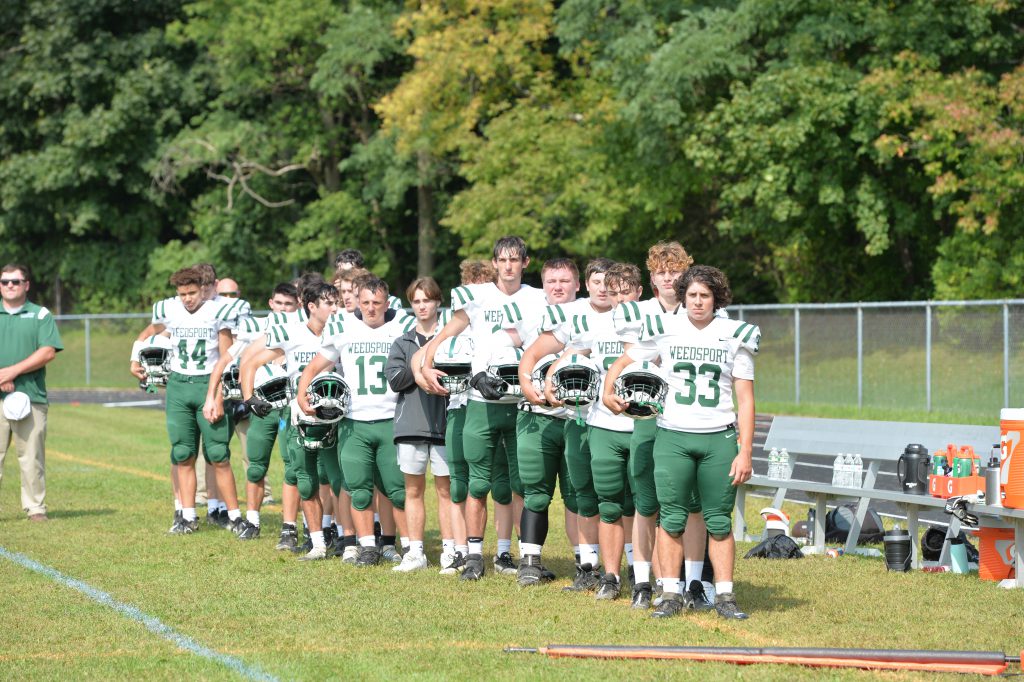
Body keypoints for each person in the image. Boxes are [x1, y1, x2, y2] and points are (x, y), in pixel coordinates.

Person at [603, 265, 758, 619]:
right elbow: (627, 357)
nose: (698, 302)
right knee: (671, 518)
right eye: (692, 295)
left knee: (718, 520)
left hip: (718, 436)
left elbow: (746, 400)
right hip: (672, 435)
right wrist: (608, 388)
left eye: (705, 295)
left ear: (717, 298)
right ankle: (670, 594)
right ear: (684, 295)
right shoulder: (666, 328)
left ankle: (725, 596)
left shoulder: (736, 333)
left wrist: (745, 450)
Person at [420, 236, 548, 582]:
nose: (508, 266)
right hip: (480, 402)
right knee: (479, 483)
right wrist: (428, 364)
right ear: (494, 263)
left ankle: (526, 556)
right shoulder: (475, 296)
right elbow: (443, 335)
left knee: (523, 482)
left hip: (522, 402)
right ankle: (475, 555)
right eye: (502, 260)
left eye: (514, 259)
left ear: (525, 262)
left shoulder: (539, 297)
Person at [297, 276, 413, 566]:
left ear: (387, 303)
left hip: (391, 418)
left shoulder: (402, 326)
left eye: (377, 303)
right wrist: (302, 393)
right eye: (366, 303)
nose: (371, 308)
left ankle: (407, 546)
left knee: (396, 489)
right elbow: (315, 366)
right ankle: (367, 546)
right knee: (358, 489)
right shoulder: (342, 327)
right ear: (357, 303)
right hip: (354, 421)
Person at [132, 266, 241, 535]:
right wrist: (135, 358)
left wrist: (216, 396)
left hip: (208, 382)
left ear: (203, 289)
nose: (187, 298)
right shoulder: (169, 309)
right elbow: (147, 332)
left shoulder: (218, 312)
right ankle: (187, 515)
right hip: (179, 385)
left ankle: (236, 516)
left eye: (192, 292)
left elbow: (227, 358)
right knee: (182, 453)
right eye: (182, 293)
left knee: (218, 454)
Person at [384, 277, 452, 572]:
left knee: (446, 490)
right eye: (416, 301)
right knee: (412, 490)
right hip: (410, 424)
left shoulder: (452, 339)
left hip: (446, 423)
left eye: (427, 300)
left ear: (438, 302)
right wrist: (423, 363)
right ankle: (416, 552)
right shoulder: (403, 341)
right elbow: (396, 379)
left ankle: (452, 550)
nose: (422, 306)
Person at [0, 263, 63, 521]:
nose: (10, 286)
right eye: (4, 282)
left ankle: (36, 508)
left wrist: (12, 371)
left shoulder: (40, 315)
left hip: (31, 397)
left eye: (15, 281)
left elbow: (48, 351)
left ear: (26, 285)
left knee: (32, 456)